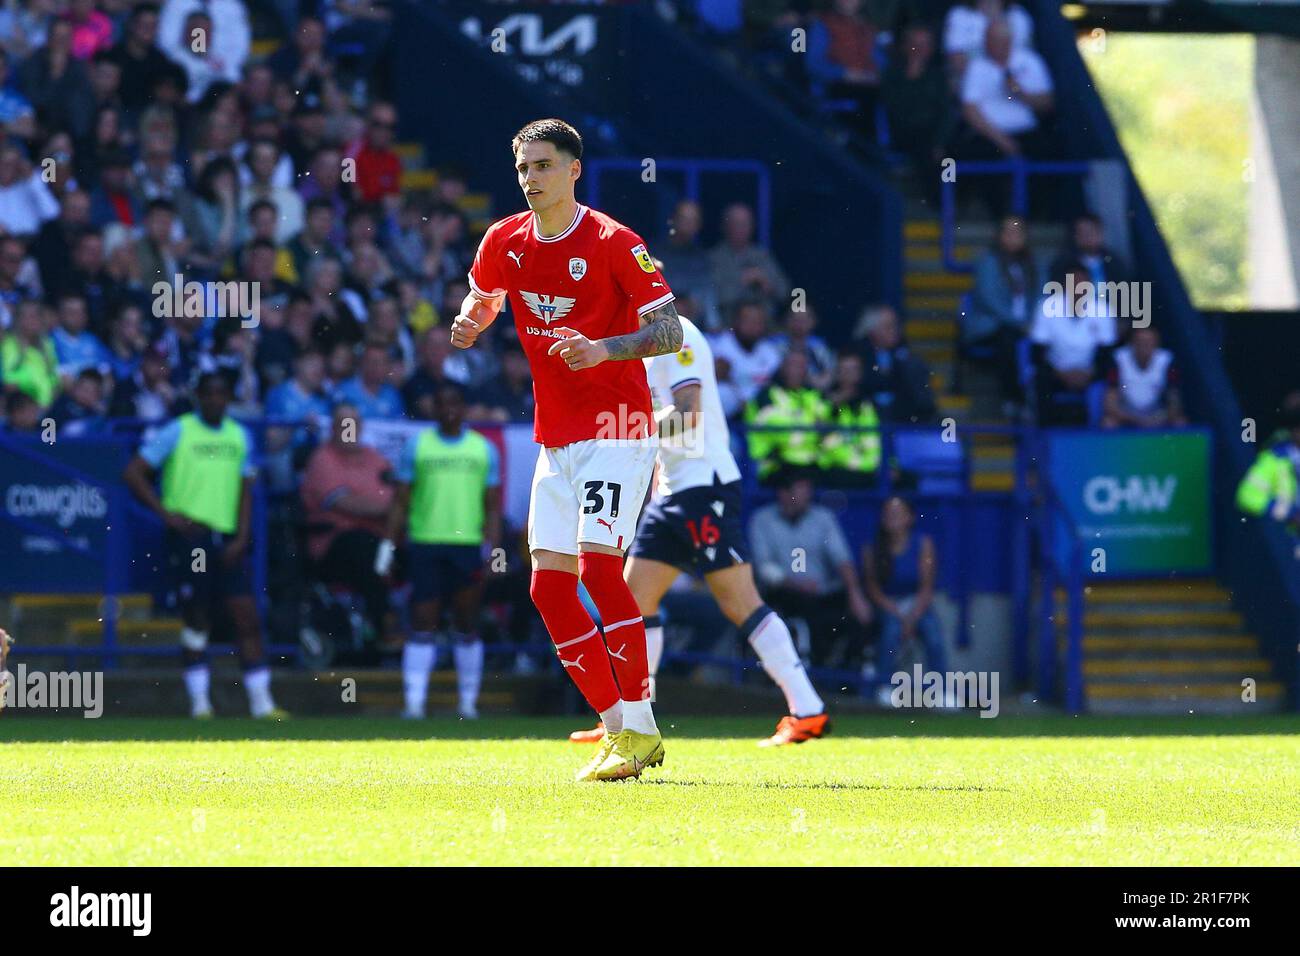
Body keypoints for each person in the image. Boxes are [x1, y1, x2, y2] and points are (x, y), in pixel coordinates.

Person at [450, 118, 682, 781]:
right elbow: (485, 293)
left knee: (599, 572)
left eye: (543, 166)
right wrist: (474, 318)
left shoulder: (614, 242)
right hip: (555, 437)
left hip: (617, 426)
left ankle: (642, 725)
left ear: (574, 170)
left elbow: (668, 330)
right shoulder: (505, 239)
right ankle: (618, 731)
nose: (530, 179)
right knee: (549, 588)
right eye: (523, 168)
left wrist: (605, 348)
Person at [570, 314, 830, 748]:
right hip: (675, 492)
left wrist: (622, 433)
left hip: (703, 487)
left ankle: (808, 709)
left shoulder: (680, 335)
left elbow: (688, 417)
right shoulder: (642, 343)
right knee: (634, 600)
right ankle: (633, 719)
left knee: (740, 602)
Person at [122, 372, 284, 720]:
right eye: (208, 394)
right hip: (191, 538)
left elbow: (245, 489)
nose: (215, 400)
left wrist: (242, 535)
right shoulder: (178, 430)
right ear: (198, 396)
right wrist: (167, 515)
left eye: (221, 393)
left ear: (229, 398)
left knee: (247, 616)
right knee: (198, 615)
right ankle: (200, 703)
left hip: (226, 539)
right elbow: (134, 472)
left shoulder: (239, 436)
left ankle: (262, 703)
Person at [378, 382, 502, 720]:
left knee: (466, 623)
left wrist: (493, 548)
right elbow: (400, 501)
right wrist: (387, 545)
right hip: (426, 543)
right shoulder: (418, 447)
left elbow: (492, 507)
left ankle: (467, 705)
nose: (449, 409)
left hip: (467, 546)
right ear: (433, 407)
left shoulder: (483, 449)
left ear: (464, 408)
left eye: (455, 403)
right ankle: (414, 705)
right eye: (442, 403)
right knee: (422, 623)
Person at [749, 469, 873, 669]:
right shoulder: (762, 520)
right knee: (809, 613)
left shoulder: (823, 518)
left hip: (821, 592)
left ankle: (847, 678)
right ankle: (815, 670)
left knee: (855, 613)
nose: (807, 495)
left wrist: (855, 594)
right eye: (801, 490)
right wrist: (797, 585)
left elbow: (842, 558)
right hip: (783, 593)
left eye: (808, 489)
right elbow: (765, 568)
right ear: (783, 493)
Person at [300, 402, 394, 649]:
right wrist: (386, 509)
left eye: (354, 423)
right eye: (344, 424)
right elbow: (345, 503)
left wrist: (392, 509)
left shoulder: (376, 459)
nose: (350, 429)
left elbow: (399, 494)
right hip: (335, 547)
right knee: (364, 545)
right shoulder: (323, 459)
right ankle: (383, 624)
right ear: (333, 428)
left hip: (382, 540)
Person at [863, 496, 947, 703]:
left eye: (898, 514)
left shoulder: (923, 544)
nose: (893, 519)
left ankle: (942, 691)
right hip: (888, 604)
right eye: (888, 514)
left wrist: (912, 616)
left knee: (933, 634)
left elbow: (927, 587)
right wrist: (897, 613)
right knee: (890, 632)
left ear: (910, 518)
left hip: (916, 603)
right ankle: (884, 687)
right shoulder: (872, 549)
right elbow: (873, 588)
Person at [1236, 396, 1300, 536]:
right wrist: (1289, 513)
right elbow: (1247, 495)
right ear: (1294, 430)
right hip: (1288, 538)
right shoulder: (1274, 458)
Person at [1102, 325, 1186, 429]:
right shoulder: (1119, 359)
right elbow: (1110, 403)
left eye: (1149, 343)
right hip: (1126, 413)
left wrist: (1158, 418)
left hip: (1157, 413)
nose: (1144, 347)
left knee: (1180, 423)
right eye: (1140, 343)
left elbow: (1174, 402)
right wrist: (1136, 419)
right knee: (1109, 423)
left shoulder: (1166, 361)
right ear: (1131, 344)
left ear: (1156, 344)